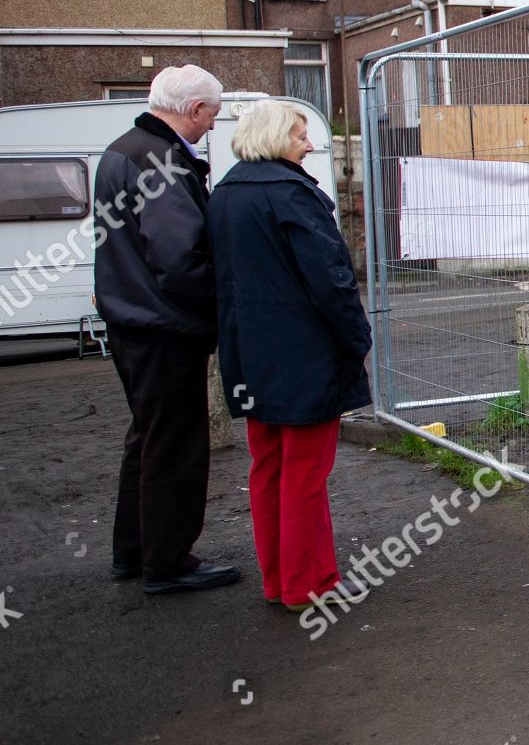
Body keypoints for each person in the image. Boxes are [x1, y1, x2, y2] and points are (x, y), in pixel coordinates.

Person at [207, 99, 372, 612]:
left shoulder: (225, 194)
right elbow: (331, 280)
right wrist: (355, 338)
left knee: (269, 466)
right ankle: (311, 583)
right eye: (300, 134)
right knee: (305, 471)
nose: (309, 142)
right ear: (277, 137)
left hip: (248, 352)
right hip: (302, 352)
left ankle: (279, 580)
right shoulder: (293, 196)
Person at [96, 65, 241, 593]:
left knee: (148, 437)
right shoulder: (163, 161)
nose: (211, 127)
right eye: (212, 116)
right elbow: (179, 256)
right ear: (193, 109)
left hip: (130, 318)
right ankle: (168, 560)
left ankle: (133, 550)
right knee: (176, 443)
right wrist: (220, 309)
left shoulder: (123, 148)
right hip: (164, 325)